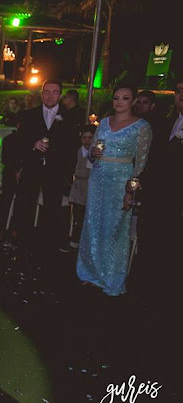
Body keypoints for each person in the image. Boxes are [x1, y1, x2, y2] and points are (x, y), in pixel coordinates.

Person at [77, 85, 152, 296]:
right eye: (116, 98)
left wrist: (130, 190)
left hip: (121, 181)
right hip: (98, 177)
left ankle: (110, 277)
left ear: (133, 101)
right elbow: (91, 154)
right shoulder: (103, 123)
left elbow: (141, 162)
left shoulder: (142, 127)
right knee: (93, 224)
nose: (119, 102)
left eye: (125, 98)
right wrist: (93, 153)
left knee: (115, 229)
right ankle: (90, 273)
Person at [14, 78, 80, 253]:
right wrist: (33, 144)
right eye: (47, 92)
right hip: (32, 167)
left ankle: (47, 246)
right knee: (26, 205)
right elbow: (19, 141)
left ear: (60, 95)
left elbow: (72, 146)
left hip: (55, 170)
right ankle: (23, 244)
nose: (50, 96)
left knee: (52, 208)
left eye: (55, 92)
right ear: (42, 94)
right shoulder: (29, 115)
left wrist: (64, 169)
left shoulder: (69, 117)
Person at [135, 78, 183, 301]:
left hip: (176, 201)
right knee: (148, 241)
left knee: (169, 248)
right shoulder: (167, 122)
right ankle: (145, 289)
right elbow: (155, 158)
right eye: (179, 90)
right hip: (155, 197)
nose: (181, 95)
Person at [59, 124, 95, 252]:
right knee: (78, 217)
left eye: (90, 138)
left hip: (90, 190)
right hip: (78, 190)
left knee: (88, 218)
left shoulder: (95, 153)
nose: (87, 141)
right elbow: (75, 170)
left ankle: (84, 243)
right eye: (84, 138)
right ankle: (75, 241)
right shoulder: (77, 152)